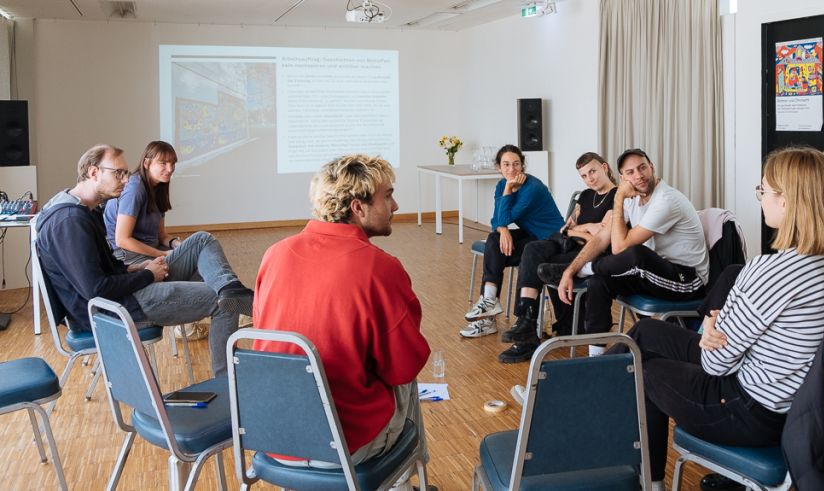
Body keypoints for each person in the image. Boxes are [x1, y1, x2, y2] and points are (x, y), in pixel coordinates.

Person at [611, 146, 824, 491]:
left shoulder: (770, 271)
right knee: (644, 332)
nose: (760, 199)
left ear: (787, 201)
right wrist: (724, 331)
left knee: (640, 369)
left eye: (763, 190)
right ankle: (585, 393)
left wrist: (713, 327)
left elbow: (715, 364)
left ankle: (646, 482)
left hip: (748, 411)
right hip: (799, 407)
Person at [253, 154, 431, 482]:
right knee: (406, 380)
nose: (395, 206)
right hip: (344, 446)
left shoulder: (274, 254)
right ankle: (403, 484)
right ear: (358, 207)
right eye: (388, 196)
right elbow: (404, 367)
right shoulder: (380, 268)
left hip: (272, 435)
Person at [35, 144, 252, 376]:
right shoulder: (69, 222)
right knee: (221, 300)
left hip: (124, 295)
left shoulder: (83, 212)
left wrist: (137, 268)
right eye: (118, 173)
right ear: (94, 172)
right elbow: (96, 289)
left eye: (126, 173)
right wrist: (148, 274)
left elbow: (105, 270)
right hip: (116, 309)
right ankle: (228, 380)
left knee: (202, 242)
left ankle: (233, 290)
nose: (125, 180)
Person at [543, 148, 709, 354]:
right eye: (630, 172)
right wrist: (570, 270)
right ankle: (596, 358)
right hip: (653, 273)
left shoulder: (666, 200)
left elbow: (619, 247)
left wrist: (619, 196)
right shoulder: (633, 199)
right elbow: (601, 238)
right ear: (623, 178)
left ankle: (585, 270)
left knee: (636, 253)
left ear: (652, 167)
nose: (639, 175)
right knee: (598, 282)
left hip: (686, 280)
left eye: (642, 168)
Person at [103, 140, 239, 338]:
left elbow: (161, 236)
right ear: (146, 163)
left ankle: (202, 319)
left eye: (173, 163)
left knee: (204, 262)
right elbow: (122, 239)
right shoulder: (135, 188)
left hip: (152, 256)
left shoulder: (157, 189)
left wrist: (176, 244)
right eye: (163, 163)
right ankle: (233, 293)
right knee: (203, 240)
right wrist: (163, 253)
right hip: (135, 263)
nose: (170, 169)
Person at [496, 152, 617, 363]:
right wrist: (586, 228)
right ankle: (525, 318)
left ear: (604, 168)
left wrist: (579, 229)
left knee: (542, 267)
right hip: (568, 244)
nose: (590, 179)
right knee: (532, 249)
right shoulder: (585, 196)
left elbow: (600, 238)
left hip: (592, 254)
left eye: (593, 172)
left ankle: (527, 338)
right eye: (584, 175)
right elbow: (565, 228)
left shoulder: (617, 197)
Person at [460, 144, 563, 338]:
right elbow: (496, 221)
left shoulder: (532, 188)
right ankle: (489, 303)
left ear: (522, 166)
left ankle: (495, 315)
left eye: (516, 164)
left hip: (550, 240)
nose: (511, 169)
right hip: (532, 235)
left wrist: (508, 190)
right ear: (498, 167)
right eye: (506, 164)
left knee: (498, 248)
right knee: (494, 240)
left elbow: (505, 217)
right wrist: (503, 230)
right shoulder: (501, 185)